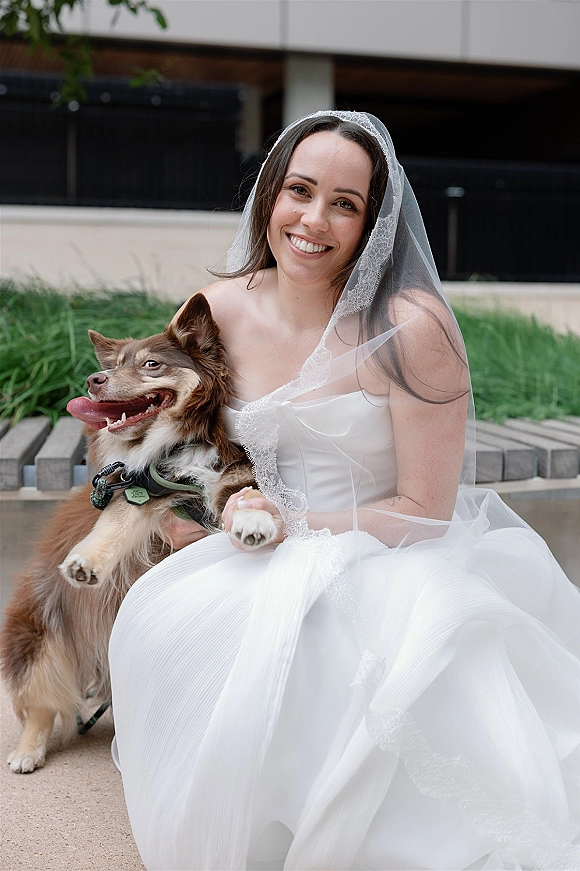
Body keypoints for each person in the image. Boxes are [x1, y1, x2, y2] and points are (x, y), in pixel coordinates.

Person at [109, 111, 580, 871]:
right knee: (165, 627)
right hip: (246, 536)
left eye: (345, 203)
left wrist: (285, 523)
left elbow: (425, 513)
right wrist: (185, 511)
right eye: (300, 190)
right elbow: (164, 440)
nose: (313, 220)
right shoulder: (218, 308)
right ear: (269, 195)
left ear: (373, 222)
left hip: (390, 550)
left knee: (331, 660)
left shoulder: (410, 327)